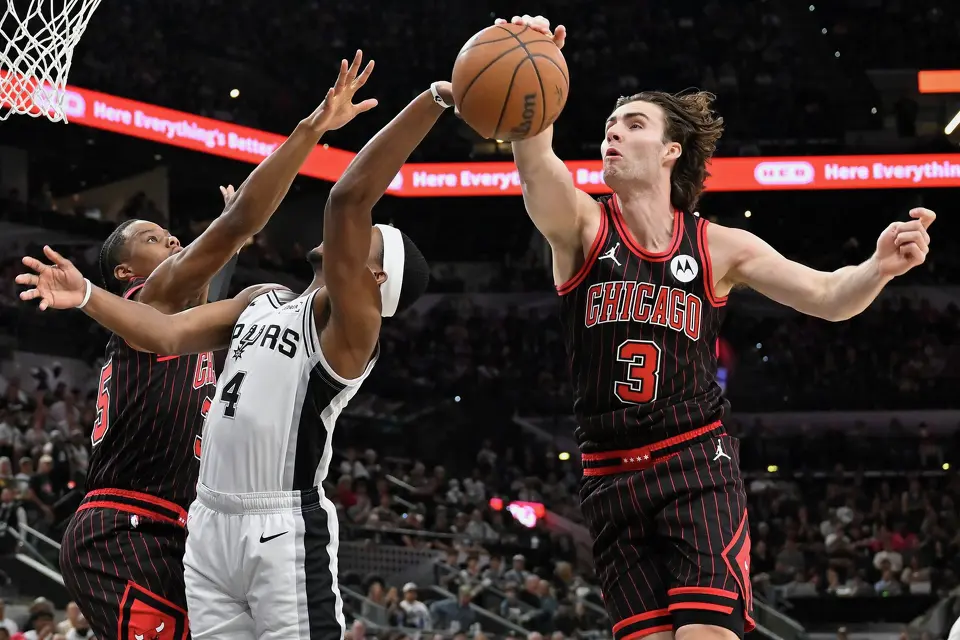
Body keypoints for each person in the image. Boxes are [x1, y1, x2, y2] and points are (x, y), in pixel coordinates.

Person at [497, 13, 936, 640]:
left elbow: (829, 296)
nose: (612, 136)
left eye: (633, 124)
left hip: (697, 466)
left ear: (672, 150)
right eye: (608, 127)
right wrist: (533, 76)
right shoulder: (583, 229)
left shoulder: (719, 246)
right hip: (609, 476)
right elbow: (537, 166)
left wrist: (877, 267)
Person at [16, 63, 445, 639]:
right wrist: (92, 293)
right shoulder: (224, 299)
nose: (172, 240)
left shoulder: (346, 328)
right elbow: (169, 324)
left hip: (237, 524)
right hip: (151, 524)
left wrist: (433, 98)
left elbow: (330, 205)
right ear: (126, 271)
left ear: (372, 278)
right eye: (153, 237)